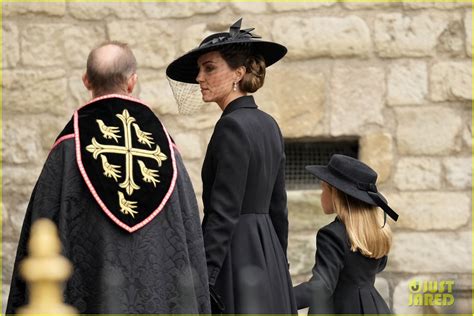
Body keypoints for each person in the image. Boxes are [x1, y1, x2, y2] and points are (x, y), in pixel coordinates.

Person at [6, 41, 211, 314]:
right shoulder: (167, 150)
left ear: (86, 80)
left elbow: (40, 230)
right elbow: (188, 237)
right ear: (132, 82)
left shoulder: (69, 149)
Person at [166, 19, 297, 313]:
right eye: (200, 69)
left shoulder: (231, 127)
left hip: (237, 260)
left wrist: (205, 279)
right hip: (268, 256)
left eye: (209, 67)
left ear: (238, 72)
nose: (200, 77)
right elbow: (279, 210)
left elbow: (223, 214)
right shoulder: (269, 124)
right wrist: (279, 265)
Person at [294, 154, 399, 314]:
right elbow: (376, 266)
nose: (321, 195)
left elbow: (321, 288)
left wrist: (280, 297)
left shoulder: (331, 235)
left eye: (323, 188)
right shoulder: (374, 233)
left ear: (335, 193)